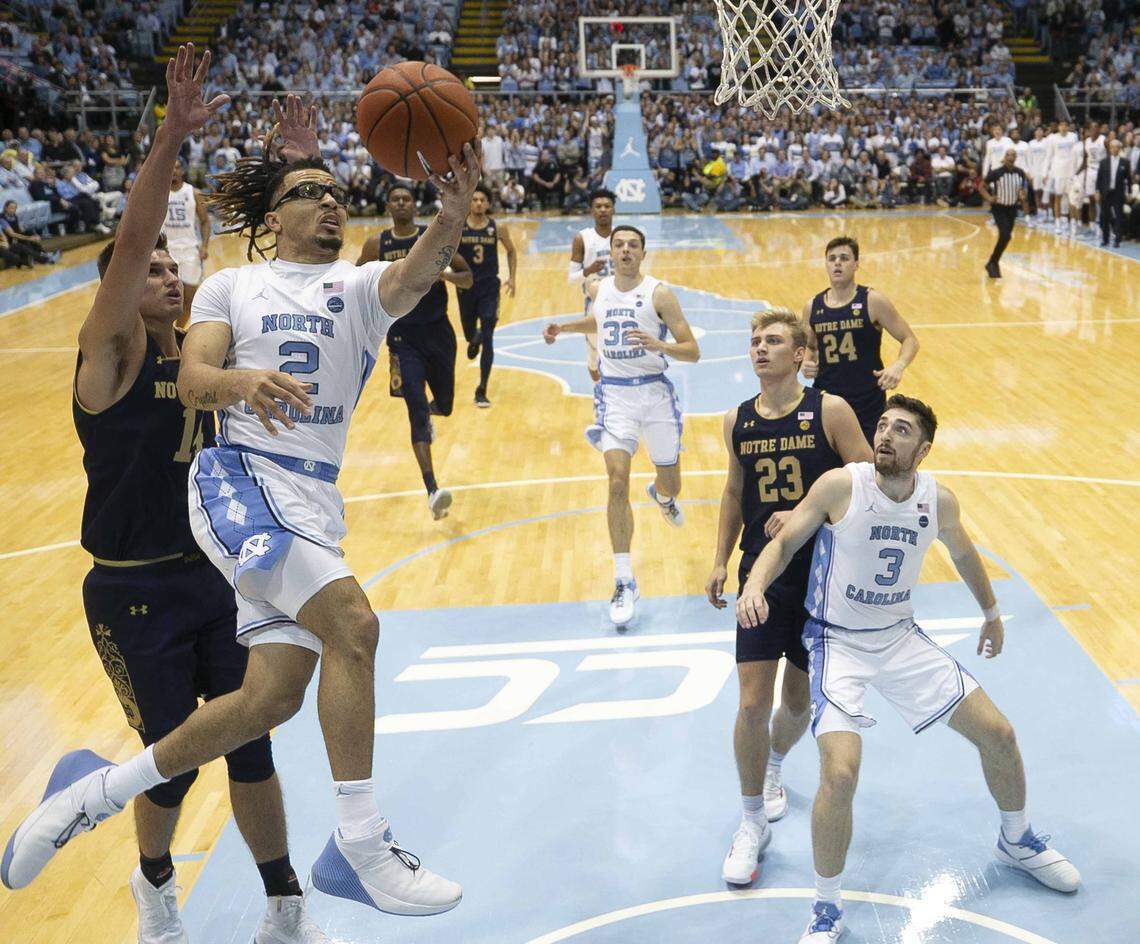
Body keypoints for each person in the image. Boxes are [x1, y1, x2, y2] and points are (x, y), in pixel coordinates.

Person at [3, 60, 483, 923]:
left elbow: (411, 277)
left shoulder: (343, 287)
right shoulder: (173, 315)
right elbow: (192, 371)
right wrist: (241, 382)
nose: (334, 204)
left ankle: (101, 799)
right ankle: (352, 845)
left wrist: (437, 207)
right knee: (355, 626)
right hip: (209, 518)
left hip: (276, 522)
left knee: (265, 708)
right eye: (311, 194)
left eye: (339, 193)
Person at [1, 49, 329, 943]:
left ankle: (285, 906)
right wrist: (170, 140)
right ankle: (154, 891)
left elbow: (276, 269)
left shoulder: (198, 352)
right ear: (116, 289)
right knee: (172, 764)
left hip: (215, 573)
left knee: (251, 742)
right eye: (152, 275)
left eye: (171, 274)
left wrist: (296, 170)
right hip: (132, 584)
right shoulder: (107, 357)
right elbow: (137, 238)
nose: (169, 278)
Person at [735, 395, 1081, 944]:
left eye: (901, 430)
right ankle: (826, 909)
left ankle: (1016, 840)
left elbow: (965, 555)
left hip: (899, 639)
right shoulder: (841, 486)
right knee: (842, 773)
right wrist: (753, 583)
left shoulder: (936, 500)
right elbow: (785, 541)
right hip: (836, 644)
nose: (885, 436)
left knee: (1000, 734)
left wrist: (991, 615)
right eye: (882, 426)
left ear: (923, 448)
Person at [706, 309, 871, 887]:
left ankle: (775, 764)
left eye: (773, 340)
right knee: (752, 702)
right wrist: (720, 561)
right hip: (764, 575)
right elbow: (733, 492)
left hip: (823, 578)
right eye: (754, 340)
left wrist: (807, 515)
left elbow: (868, 483)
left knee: (796, 704)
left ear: (799, 354)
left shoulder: (829, 410)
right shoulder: (736, 421)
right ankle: (751, 820)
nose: (760, 348)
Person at [543, 226, 700, 627]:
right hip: (615, 396)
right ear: (610, 251)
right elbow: (597, 322)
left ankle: (662, 497)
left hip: (655, 394)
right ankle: (623, 579)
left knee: (671, 482)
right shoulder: (599, 289)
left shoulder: (659, 293)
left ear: (643, 253)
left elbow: (692, 351)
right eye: (619, 245)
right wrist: (564, 329)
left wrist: (659, 344)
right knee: (616, 480)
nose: (625, 250)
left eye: (633, 245)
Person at [358, 183, 473, 519]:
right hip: (401, 337)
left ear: (414, 205)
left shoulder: (431, 239)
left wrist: (445, 275)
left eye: (406, 199)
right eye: (395, 199)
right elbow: (354, 281)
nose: (402, 203)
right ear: (388, 205)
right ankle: (432, 489)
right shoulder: (376, 244)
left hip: (439, 333)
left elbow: (467, 278)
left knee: (446, 405)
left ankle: (430, 417)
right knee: (416, 408)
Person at [801, 237, 919, 446]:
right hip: (827, 398)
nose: (837, 263)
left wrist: (898, 366)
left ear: (856, 264)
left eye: (844, 258)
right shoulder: (813, 306)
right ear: (826, 264)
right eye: (832, 258)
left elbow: (909, 339)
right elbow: (809, 347)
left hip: (866, 400)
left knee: (867, 465)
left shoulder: (872, 300)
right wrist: (806, 362)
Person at [455, 183, 516, 408]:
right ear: (469, 202)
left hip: (490, 286)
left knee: (489, 333)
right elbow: (447, 253)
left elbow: (511, 251)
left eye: (483, 200)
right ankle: (475, 337)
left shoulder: (497, 228)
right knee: (470, 333)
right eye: (475, 199)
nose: (479, 203)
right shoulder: (459, 227)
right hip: (466, 288)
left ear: (488, 204)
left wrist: (512, 278)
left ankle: (482, 389)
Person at [569, 189, 615, 382]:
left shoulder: (622, 236)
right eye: (598, 207)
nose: (603, 210)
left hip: (621, 301)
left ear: (613, 210)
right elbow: (571, 278)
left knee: (620, 354)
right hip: (594, 303)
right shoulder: (582, 238)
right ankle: (598, 393)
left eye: (607, 206)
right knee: (594, 358)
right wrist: (588, 270)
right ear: (591, 211)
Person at [162, 159, 211, 326]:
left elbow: (205, 221)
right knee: (164, 300)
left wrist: (204, 245)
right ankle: (166, 334)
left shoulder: (193, 192)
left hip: (190, 251)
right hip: (167, 252)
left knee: (188, 299)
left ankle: (179, 330)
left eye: (176, 167)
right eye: (170, 167)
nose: (174, 171)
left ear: (181, 170)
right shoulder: (159, 193)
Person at [979, 148, 1030, 278]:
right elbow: (981, 186)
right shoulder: (996, 172)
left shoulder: (1020, 173)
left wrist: (1022, 195)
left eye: (1013, 155)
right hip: (999, 208)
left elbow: (1022, 189)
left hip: (1012, 208)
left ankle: (992, 262)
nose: (1011, 157)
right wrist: (989, 198)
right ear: (1005, 157)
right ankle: (993, 263)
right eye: (1008, 155)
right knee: (1005, 235)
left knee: (1006, 237)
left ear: (1016, 157)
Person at [1044, 120, 1079, 235]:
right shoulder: (1052, 138)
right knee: (1057, 198)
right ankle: (1057, 224)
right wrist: (1045, 173)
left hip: (1071, 172)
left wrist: (1077, 172)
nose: (1063, 127)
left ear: (1068, 127)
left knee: (1072, 199)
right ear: (1058, 127)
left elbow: (1077, 155)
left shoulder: (1074, 137)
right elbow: (1048, 156)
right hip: (1058, 172)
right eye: (1061, 125)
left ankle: (1072, 224)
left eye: (1066, 125)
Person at [1096, 138, 1131, 247]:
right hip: (1106, 193)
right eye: (1112, 147)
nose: (1114, 149)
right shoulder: (1103, 162)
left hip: (1118, 193)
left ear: (1119, 149)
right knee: (1105, 217)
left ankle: (1117, 240)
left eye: (1117, 147)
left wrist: (1129, 192)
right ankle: (1105, 239)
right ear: (1109, 149)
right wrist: (1097, 191)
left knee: (1119, 217)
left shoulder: (1125, 162)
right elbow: (1099, 178)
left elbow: (1128, 179)